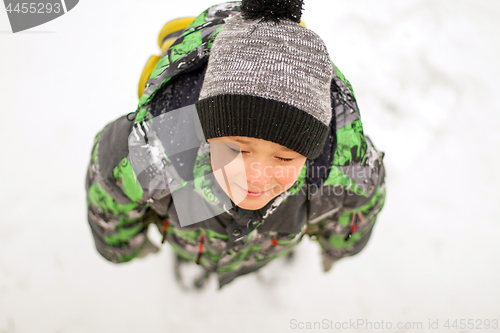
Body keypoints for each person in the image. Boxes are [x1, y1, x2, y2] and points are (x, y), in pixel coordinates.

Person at [85, 0, 386, 290]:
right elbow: (109, 186)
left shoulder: (341, 170)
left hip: (268, 243)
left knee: (271, 234)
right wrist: (121, 244)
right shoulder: (159, 153)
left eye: (284, 158)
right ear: (207, 131)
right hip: (194, 241)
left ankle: (258, 260)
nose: (255, 176)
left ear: (311, 152)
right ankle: (195, 262)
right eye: (236, 150)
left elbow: (361, 206)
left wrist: (341, 244)